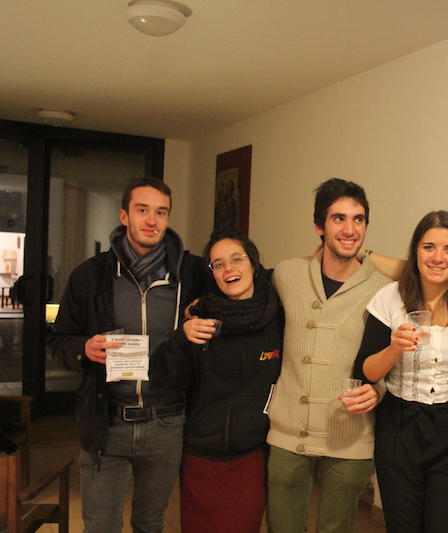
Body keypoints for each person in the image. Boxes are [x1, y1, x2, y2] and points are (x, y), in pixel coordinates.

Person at [48, 177, 207, 533]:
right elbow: (59, 340)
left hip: (167, 422)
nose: (152, 220)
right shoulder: (91, 275)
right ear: (124, 216)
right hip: (108, 422)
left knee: (150, 523)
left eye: (161, 212)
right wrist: (83, 349)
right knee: (101, 526)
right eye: (142, 210)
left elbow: (241, 281)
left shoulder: (192, 274)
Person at [266, 178, 391, 533]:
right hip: (289, 430)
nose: (350, 229)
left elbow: (395, 357)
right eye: (339, 219)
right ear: (319, 226)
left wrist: (378, 391)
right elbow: (246, 300)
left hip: (348, 434)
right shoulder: (287, 274)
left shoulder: (384, 288)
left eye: (358, 219)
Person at [353, 211, 448, 533]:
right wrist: (393, 348)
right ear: (415, 251)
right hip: (400, 427)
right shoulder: (389, 298)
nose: (438, 258)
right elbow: (366, 370)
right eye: (428, 247)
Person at [151, 229, 283, 533]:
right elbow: (168, 380)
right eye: (218, 264)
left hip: (252, 456)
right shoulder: (200, 318)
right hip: (201, 456)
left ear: (253, 264)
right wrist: (180, 339)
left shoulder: (279, 315)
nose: (229, 269)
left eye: (237, 259)